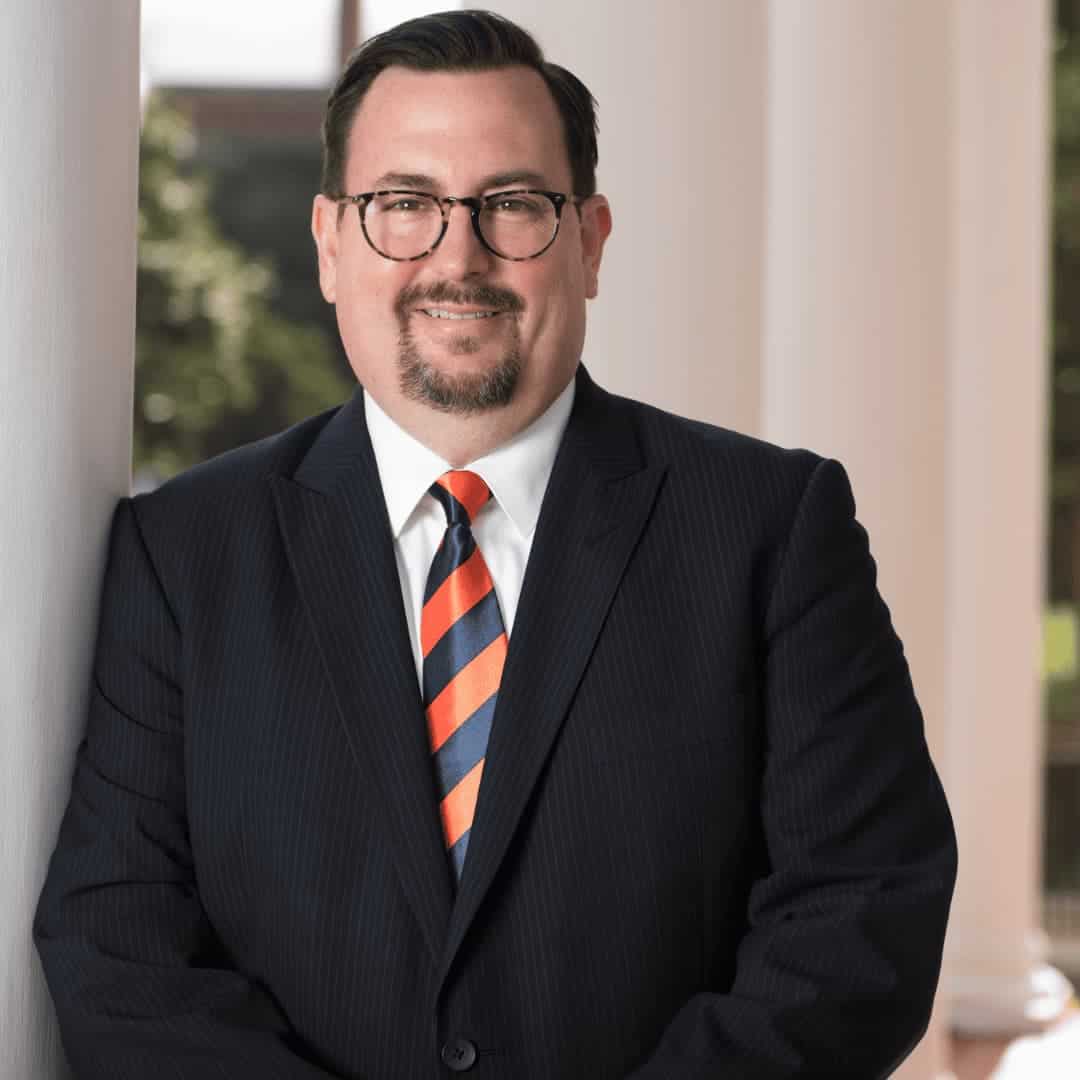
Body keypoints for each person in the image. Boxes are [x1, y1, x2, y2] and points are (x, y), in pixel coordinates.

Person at [34, 10, 957, 1079]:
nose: (456, 256)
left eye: (512, 205)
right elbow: (118, 940)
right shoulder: (183, 554)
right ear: (332, 244)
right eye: (404, 205)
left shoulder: (772, 529)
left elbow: (861, 913)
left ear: (591, 240)